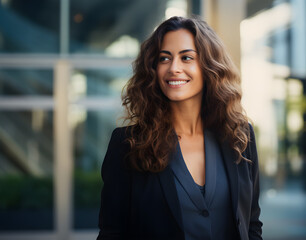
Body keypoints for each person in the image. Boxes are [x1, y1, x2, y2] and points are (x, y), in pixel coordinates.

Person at [97, 16, 262, 240]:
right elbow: (112, 234)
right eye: (164, 58)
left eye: (186, 57)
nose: (174, 68)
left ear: (208, 67)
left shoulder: (240, 137)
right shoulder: (127, 144)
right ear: (153, 69)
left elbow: (251, 224)